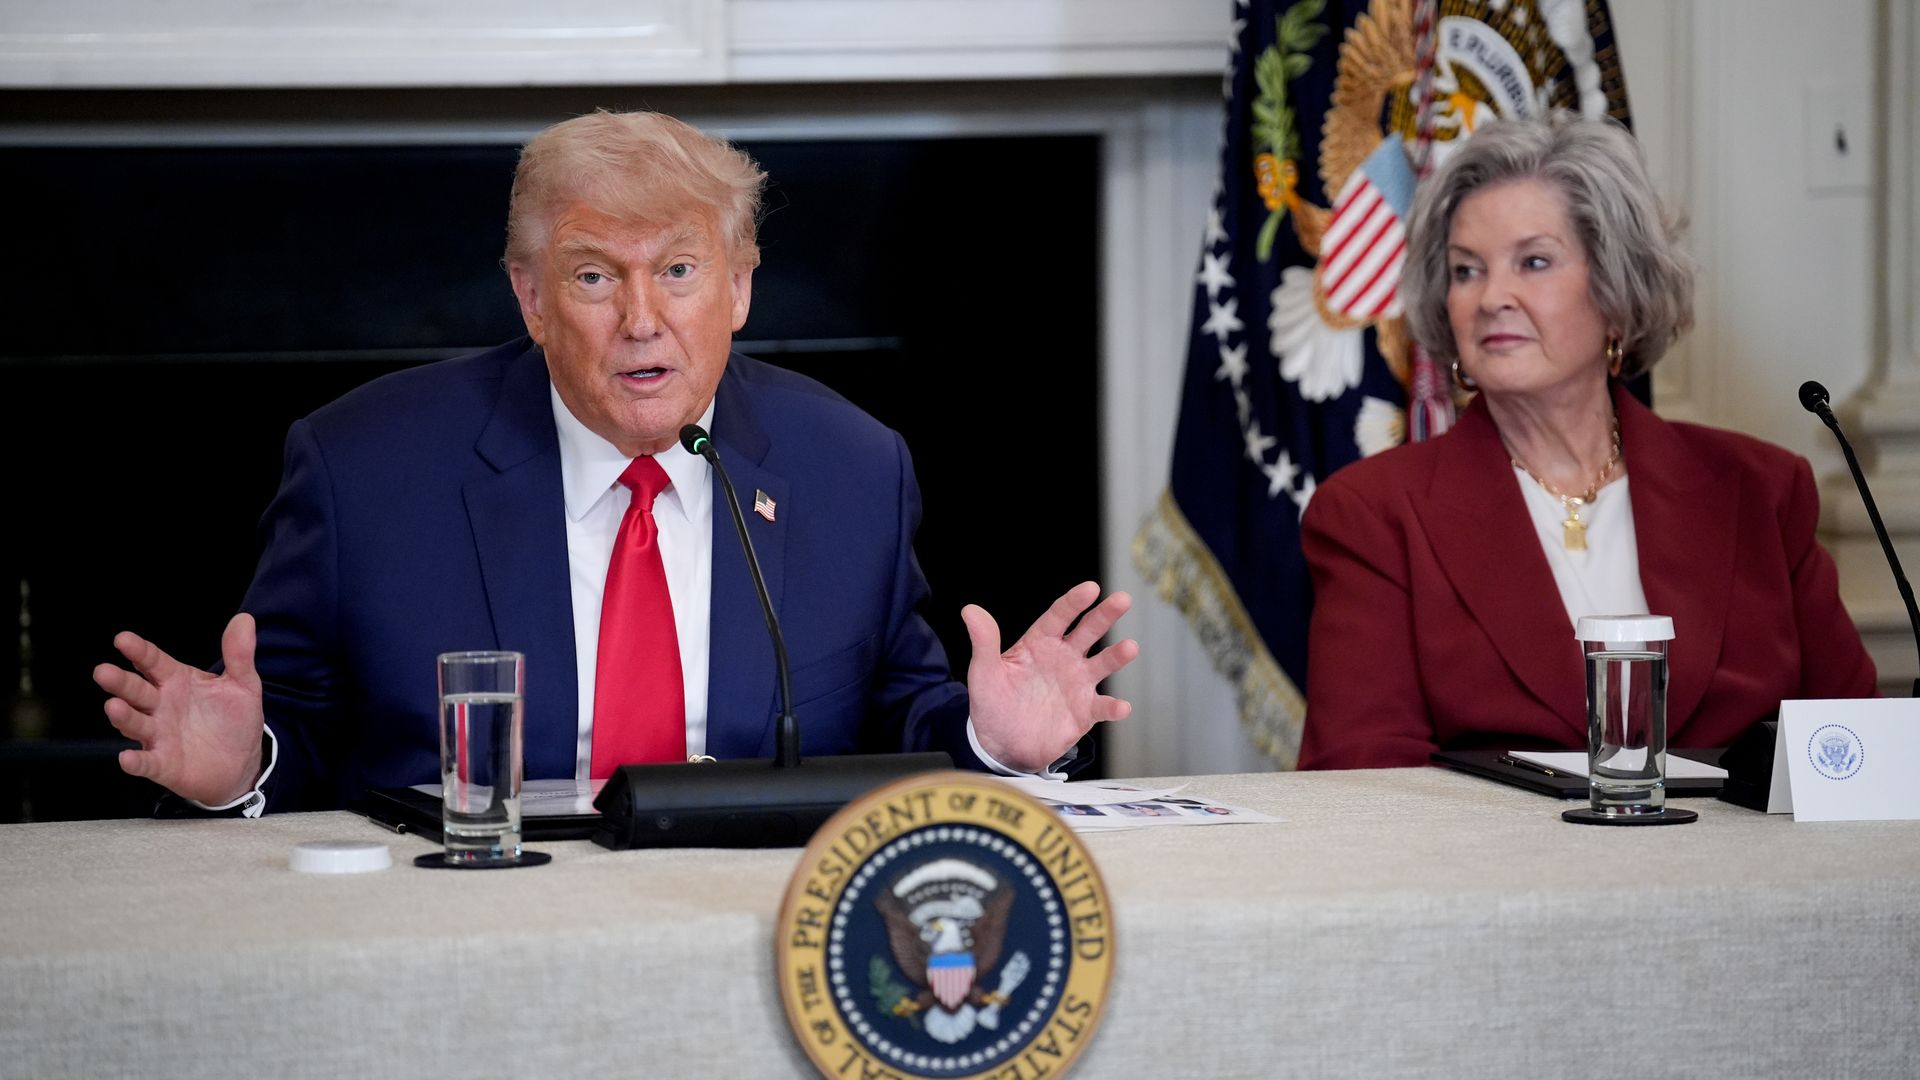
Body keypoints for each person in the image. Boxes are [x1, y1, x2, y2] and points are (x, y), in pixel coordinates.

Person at [92, 110, 1139, 814]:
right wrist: (248, 765)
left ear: (738, 290)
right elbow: (306, 730)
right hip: (464, 935)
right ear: (531, 298)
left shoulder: (849, 468)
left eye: (680, 271)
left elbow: (897, 719)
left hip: (757, 932)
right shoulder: (365, 471)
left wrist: (997, 742)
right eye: (595, 276)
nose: (644, 320)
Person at [1297, 115, 1876, 770]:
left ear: (1616, 288)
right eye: (1466, 271)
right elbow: (1362, 789)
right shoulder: (1374, 515)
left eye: (1533, 262)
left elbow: (1857, 753)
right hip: (1497, 872)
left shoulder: (1760, 491)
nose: (1492, 298)